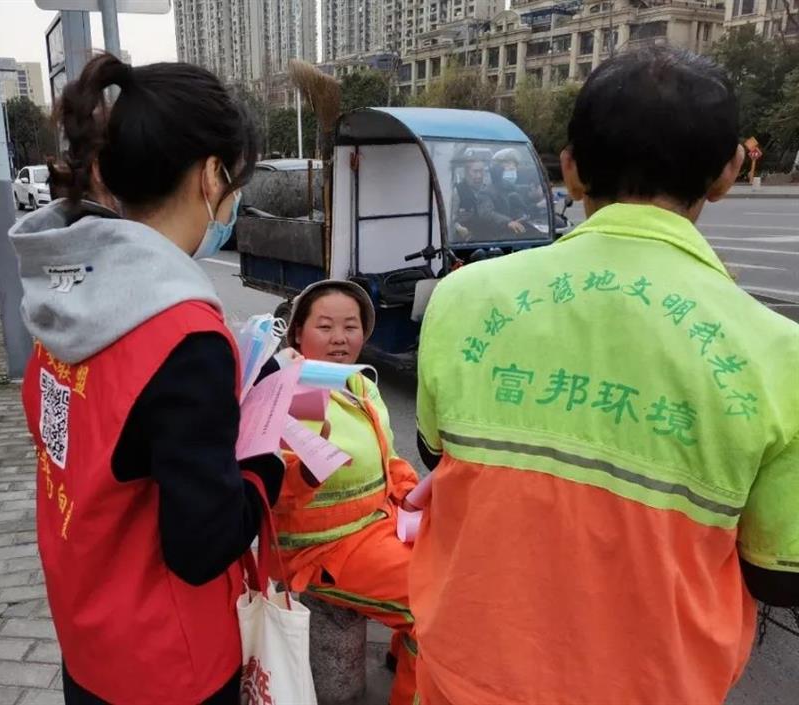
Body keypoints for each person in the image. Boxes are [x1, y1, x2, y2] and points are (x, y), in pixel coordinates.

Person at [413, 46, 799, 705]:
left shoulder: (463, 297)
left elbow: (435, 455)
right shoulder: (778, 352)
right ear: (729, 171)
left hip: (461, 679)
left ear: (569, 169)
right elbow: (779, 577)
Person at [9, 54, 284, 705]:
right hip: (171, 667)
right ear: (211, 175)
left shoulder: (67, 295)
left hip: (88, 639)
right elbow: (201, 546)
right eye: (235, 181)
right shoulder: (185, 337)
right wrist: (266, 461)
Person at [274, 280, 421, 705]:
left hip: (378, 525)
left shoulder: (358, 383)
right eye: (325, 326)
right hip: (322, 549)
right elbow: (273, 492)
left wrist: (413, 498)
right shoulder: (293, 391)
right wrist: (307, 471)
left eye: (350, 327)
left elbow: (389, 456)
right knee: (436, 606)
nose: (340, 338)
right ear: (298, 333)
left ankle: (402, 655)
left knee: (456, 565)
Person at [453, 157, 526, 238]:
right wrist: (458, 228)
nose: (479, 175)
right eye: (475, 171)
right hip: (468, 240)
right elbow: (450, 220)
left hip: (491, 238)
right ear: (466, 172)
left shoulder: (491, 189)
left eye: (481, 171)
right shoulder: (458, 191)